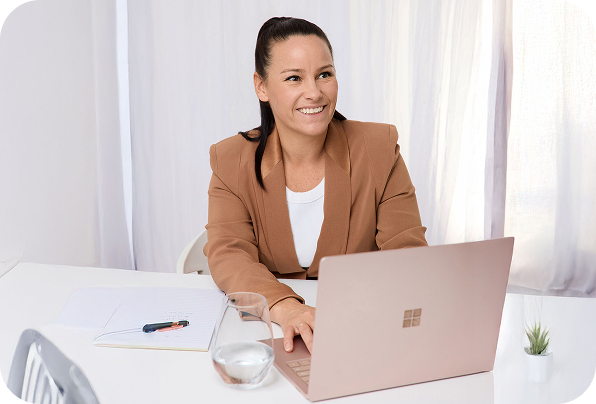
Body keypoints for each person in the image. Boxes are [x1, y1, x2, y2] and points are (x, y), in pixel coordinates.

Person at [204, 17, 427, 354]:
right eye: (294, 78)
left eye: (324, 74)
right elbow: (229, 253)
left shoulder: (378, 149)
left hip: (360, 330)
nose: (315, 92)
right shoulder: (230, 160)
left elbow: (408, 253)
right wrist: (285, 307)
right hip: (268, 333)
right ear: (261, 87)